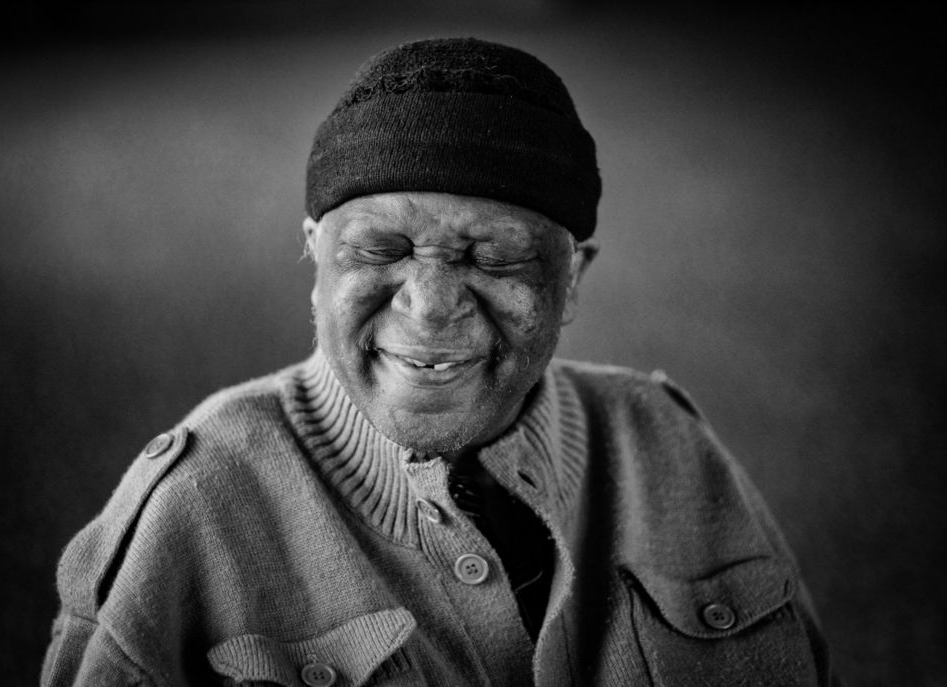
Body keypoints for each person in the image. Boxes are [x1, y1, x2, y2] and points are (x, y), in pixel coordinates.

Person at [41, 37, 835, 686]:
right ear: (315, 255)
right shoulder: (196, 503)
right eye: (381, 248)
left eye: (493, 257)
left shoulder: (665, 442)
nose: (430, 301)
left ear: (572, 281)